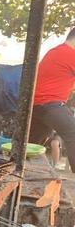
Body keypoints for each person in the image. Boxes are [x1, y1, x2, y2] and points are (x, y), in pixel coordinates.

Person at [30, 28, 75, 172]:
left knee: (30, 145)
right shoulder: (70, 54)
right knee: (72, 134)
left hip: (36, 106)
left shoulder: (55, 51)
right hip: (49, 105)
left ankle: (17, 176)